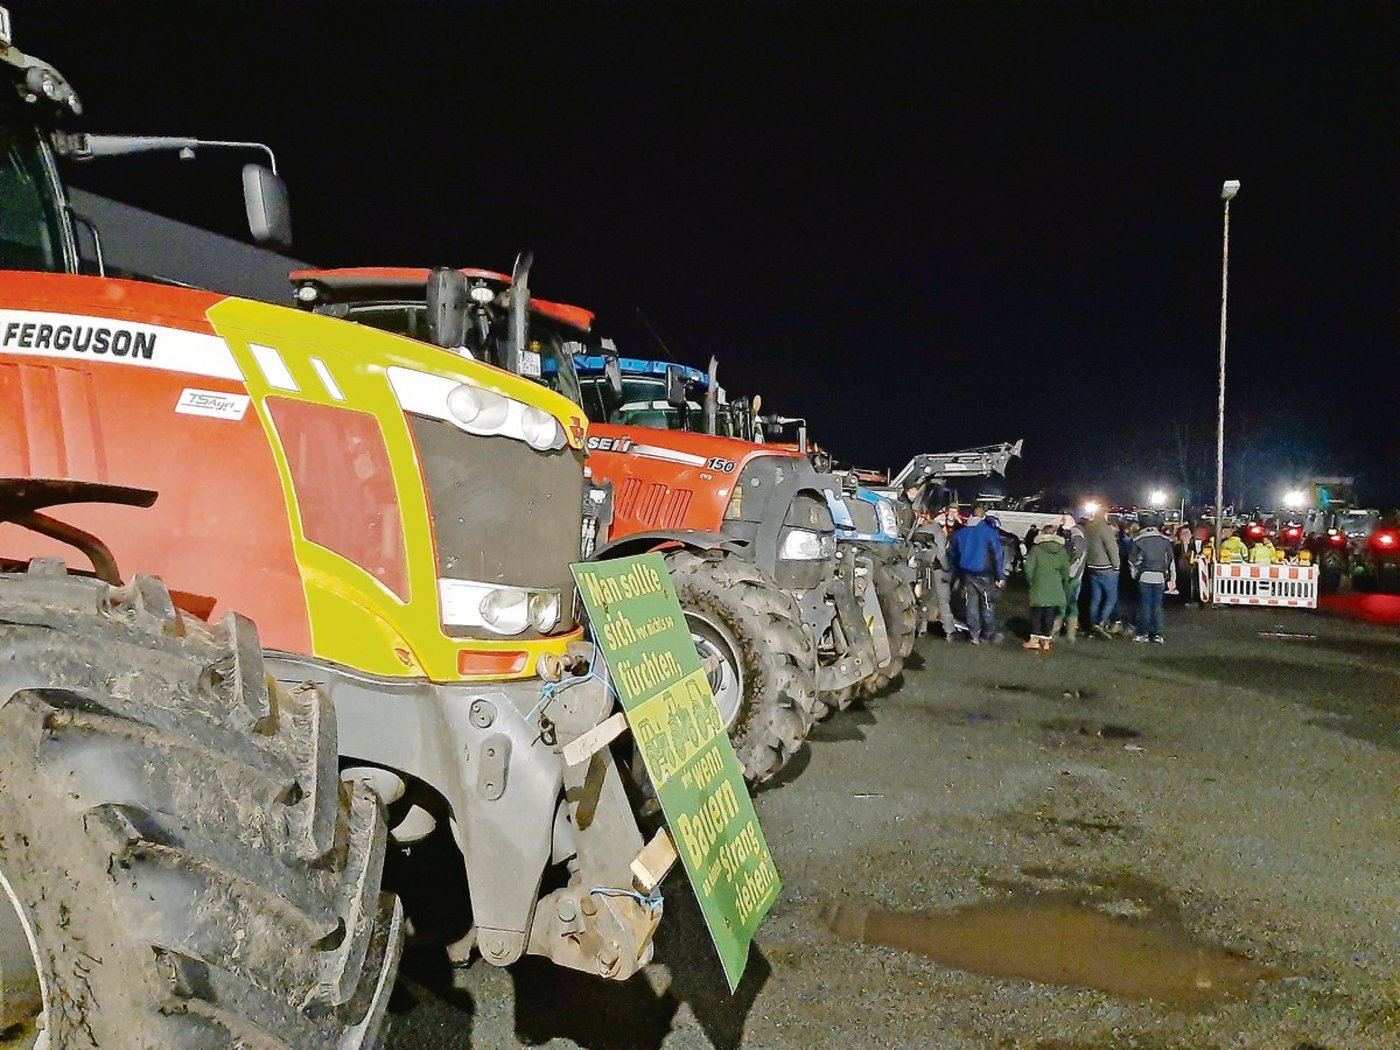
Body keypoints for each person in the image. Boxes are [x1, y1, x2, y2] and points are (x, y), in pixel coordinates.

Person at [948, 502, 1005, 645]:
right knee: (986, 604)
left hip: (967, 574)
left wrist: (958, 568)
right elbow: (997, 555)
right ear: (983, 516)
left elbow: (952, 553)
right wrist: (999, 576)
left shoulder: (960, 533)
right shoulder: (989, 532)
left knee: (970, 604)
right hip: (985, 574)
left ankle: (974, 634)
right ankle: (987, 634)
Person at [1023, 523, 1071, 652]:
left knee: (1037, 613)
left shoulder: (1036, 549)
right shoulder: (1061, 551)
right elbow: (1065, 570)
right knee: (1050, 613)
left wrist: (1031, 581)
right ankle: (1046, 641)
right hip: (1055, 585)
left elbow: (1028, 569)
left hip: (1039, 584)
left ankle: (1034, 640)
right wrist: (1063, 583)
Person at [1129, 512, 1175, 643]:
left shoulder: (1138, 540)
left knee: (1145, 606)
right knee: (1158, 606)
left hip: (1144, 576)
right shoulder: (1165, 541)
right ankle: (1157, 634)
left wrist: (1135, 575)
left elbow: (1132, 562)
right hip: (1160, 576)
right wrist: (1171, 579)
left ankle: (1143, 633)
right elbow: (1170, 561)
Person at [1083, 504, 1120, 639]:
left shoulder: (1088, 527)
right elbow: (1112, 548)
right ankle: (1101, 622)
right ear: (1104, 515)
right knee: (1111, 597)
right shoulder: (1104, 528)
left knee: (1095, 598)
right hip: (1105, 567)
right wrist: (1116, 566)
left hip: (1092, 566)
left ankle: (1091, 625)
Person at [929, 508, 962, 640]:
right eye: (941, 514)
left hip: (922, 568)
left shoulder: (921, 528)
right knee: (944, 600)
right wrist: (947, 568)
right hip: (937, 569)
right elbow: (941, 554)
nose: (944, 516)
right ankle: (949, 629)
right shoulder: (937, 531)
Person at [1058, 512, 1087, 642]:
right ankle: (1070, 634)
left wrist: (1066, 568)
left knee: (1064, 603)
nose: (1061, 522)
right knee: (1071, 604)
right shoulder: (1076, 534)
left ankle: (1056, 631)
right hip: (1074, 575)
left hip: (1072, 576)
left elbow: (1075, 555)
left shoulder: (1076, 536)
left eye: (1064, 519)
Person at [1172, 524, 1197, 603]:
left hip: (1191, 568)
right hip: (1180, 570)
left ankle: (1189, 598)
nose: (1186, 535)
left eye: (1187, 533)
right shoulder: (1177, 547)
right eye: (1184, 533)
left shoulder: (1194, 546)